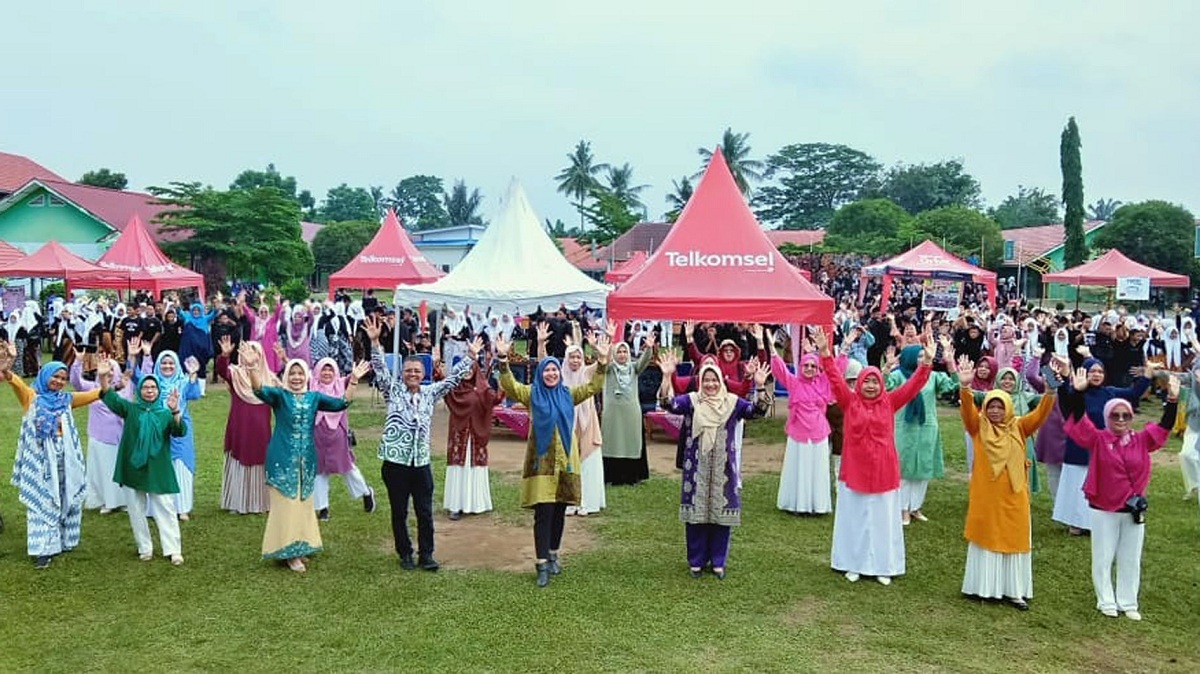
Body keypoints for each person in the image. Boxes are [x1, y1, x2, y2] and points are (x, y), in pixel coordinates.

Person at [816, 326, 932, 585]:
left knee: (882, 520)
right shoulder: (850, 401)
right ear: (858, 383)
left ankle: (884, 565)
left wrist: (926, 365)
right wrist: (825, 354)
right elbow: (835, 378)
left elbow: (913, 387)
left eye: (874, 381)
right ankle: (852, 562)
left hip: (883, 471)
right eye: (866, 381)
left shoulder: (890, 401)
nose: (869, 385)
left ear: (881, 384)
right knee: (855, 517)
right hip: (855, 470)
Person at [1060, 367, 1177, 620]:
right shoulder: (1098, 439)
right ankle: (1106, 600)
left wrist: (1172, 401)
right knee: (1103, 556)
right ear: (1107, 417)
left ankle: (1128, 601)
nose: (1121, 420)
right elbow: (1079, 421)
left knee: (1131, 558)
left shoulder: (1141, 440)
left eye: (1125, 415)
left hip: (1133, 509)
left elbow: (1164, 427)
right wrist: (1078, 394)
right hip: (1104, 508)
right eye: (1115, 415)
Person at [496, 329, 609, 588]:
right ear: (541, 373)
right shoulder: (532, 394)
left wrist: (602, 361)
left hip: (567, 461)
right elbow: (510, 386)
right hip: (542, 462)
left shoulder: (568, 394)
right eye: (547, 370)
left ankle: (554, 553)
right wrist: (503, 360)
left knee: (559, 510)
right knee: (543, 513)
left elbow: (593, 386)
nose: (551, 374)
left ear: (559, 374)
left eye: (554, 371)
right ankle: (541, 563)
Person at [365, 315, 479, 572]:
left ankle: (426, 554)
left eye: (417, 371)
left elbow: (451, 381)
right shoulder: (392, 390)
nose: (412, 374)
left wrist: (471, 358)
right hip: (396, 462)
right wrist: (374, 343)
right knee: (399, 512)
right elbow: (381, 370)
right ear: (402, 374)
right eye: (408, 371)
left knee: (425, 511)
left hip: (421, 462)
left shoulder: (430, 392)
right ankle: (405, 552)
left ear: (423, 373)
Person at [242, 344, 366, 573]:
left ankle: (298, 546)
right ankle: (289, 552)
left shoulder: (314, 398)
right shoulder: (280, 396)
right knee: (285, 505)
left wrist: (354, 380)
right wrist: (252, 367)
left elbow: (341, 403)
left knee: (302, 505)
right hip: (281, 457)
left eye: (301, 373)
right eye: (293, 373)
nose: (297, 377)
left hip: (306, 459)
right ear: (287, 376)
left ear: (307, 377)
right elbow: (259, 390)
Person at [658, 351, 769, 578]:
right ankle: (696, 560)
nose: (710, 384)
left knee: (721, 515)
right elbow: (667, 404)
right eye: (706, 380)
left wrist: (758, 386)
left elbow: (757, 411)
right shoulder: (691, 401)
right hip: (696, 469)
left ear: (720, 380)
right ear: (701, 381)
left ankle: (718, 561)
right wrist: (667, 377)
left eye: (714, 380)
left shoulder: (732, 403)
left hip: (723, 469)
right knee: (696, 516)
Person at [957, 356, 1057, 610]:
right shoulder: (978, 427)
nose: (995, 411)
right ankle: (983, 587)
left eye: (1000, 407)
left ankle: (1014, 591)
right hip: (987, 498)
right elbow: (968, 411)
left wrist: (1051, 390)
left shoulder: (1020, 427)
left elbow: (1041, 413)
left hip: (1014, 497)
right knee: (986, 539)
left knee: (1014, 540)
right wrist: (965, 388)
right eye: (991, 406)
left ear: (1009, 408)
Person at [1, 348, 104, 569]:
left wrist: (104, 378)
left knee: (65, 493)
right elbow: (16, 382)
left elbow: (97, 394)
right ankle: (43, 549)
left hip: (65, 456)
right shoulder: (32, 397)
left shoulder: (67, 399)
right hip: (40, 459)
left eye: (63, 378)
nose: (59, 381)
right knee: (44, 499)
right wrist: (7, 369)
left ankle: (65, 540)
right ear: (45, 376)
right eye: (55, 377)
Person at [98, 363, 187, 564]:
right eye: (145, 387)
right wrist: (103, 377)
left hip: (158, 470)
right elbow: (109, 397)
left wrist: (175, 411)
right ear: (140, 390)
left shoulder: (164, 413)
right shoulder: (131, 409)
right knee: (136, 510)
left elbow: (179, 431)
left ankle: (173, 550)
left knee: (165, 507)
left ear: (158, 391)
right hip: (133, 469)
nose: (149, 391)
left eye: (153, 388)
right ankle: (144, 548)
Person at [1052, 357, 1152, 536]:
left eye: (1100, 371)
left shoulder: (1110, 393)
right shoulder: (1076, 392)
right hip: (1079, 445)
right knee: (1077, 483)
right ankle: (1076, 522)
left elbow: (1134, 393)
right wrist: (1067, 376)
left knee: (1101, 483)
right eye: (1092, 371)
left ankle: (1096, 522)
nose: (1096, 375)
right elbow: (1065, 399)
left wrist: (1148, 373)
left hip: (1104, 447)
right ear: (1084, 373)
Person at [886, 336, 960, 525]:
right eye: (918, 356)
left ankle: (916, 507)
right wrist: (886, 368)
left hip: (927, 428)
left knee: (923, 469)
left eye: (924, 355)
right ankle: (902, 508)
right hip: (903, 427)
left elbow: (954, 386)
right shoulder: (898, 376)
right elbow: (882, 388)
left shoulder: (933, 377)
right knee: (903, 469)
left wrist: (950, 363)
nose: (922, 359)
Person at [310, 357, 376, 521]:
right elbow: (297, 373)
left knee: (347, 467)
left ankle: (366, 492)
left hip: (337, 434)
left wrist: (355, 376)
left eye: (330, 369)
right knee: (319, 471)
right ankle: (322, 508)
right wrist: (284, 358)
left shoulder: (341, 383)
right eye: (323, 369)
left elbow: (353, 379)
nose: (327, 373)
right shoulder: (311, 384)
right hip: (317, 434)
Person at [214, 337, 274, 514]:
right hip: (240, 427)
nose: (251, 355)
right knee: (239, 458)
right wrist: (225, 355)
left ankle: (260, 503)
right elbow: (221, 370)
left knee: (260, 460)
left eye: (255, 351)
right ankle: (237, 501)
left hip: (261, 430)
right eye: (248, 350)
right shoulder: (236, 374)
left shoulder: (269, 378)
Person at [70, 352, 133, 514]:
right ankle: (107, 501)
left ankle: (124, 501)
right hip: (99, 436)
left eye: (113, 369)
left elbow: (133, 373)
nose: (110, 372)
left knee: (120, 470)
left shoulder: (126, 387)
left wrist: (132, 357)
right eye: (107, 369)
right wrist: (78, 360)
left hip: (120, 436)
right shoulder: (92, 388)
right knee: (103, 470)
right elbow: (75, 381)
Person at [442, 349, 500, 520]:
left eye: (470, 369)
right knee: (458, 468)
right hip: (459, 436)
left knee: (475, 467)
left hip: (476, 437)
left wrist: (502, 378)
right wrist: (438, 364)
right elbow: (441, 385)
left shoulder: (483, 389)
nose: (467, 373)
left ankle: (476, 503)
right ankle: (456, 505)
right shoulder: (453, 390)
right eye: (464, 369)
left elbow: (495, 398)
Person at [147, 351, 203, 521]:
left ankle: (182, 508)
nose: (167, 366)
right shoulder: (152, 383)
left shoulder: (183, 382)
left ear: (177, 365)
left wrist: (193, 374)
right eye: (164, 363)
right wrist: (141, 356)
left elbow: (194, 394)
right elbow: (136, 378)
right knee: (158, 466)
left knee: (181, 466)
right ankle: (155, 508)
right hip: (157, 430)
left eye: (171, 363)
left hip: (180, 431)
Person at [602, 329, 655, 486]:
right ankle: (612, 476)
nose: (623, 355)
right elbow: (603, 363)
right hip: (613, 412)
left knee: (631, 442)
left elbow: (644, 361)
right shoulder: (610, 369)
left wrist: (649, 348)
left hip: (631, 412)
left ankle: (631, 476)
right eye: (619, 352)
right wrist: (610, 340)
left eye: (625, 351)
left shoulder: (634, 368)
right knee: (612, 442)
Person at [562, 343, 604, 516]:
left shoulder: (586, 373)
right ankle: (570, 501)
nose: (575, 360)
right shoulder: (560, 375)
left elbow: (602, 366)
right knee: (568, 463)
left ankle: (587, 501)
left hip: (587, 424)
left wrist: (599, 351)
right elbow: (543, 361)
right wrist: (541, 343)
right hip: (566, 424)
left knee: (587, 462)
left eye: (578, 357)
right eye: (572, 357)